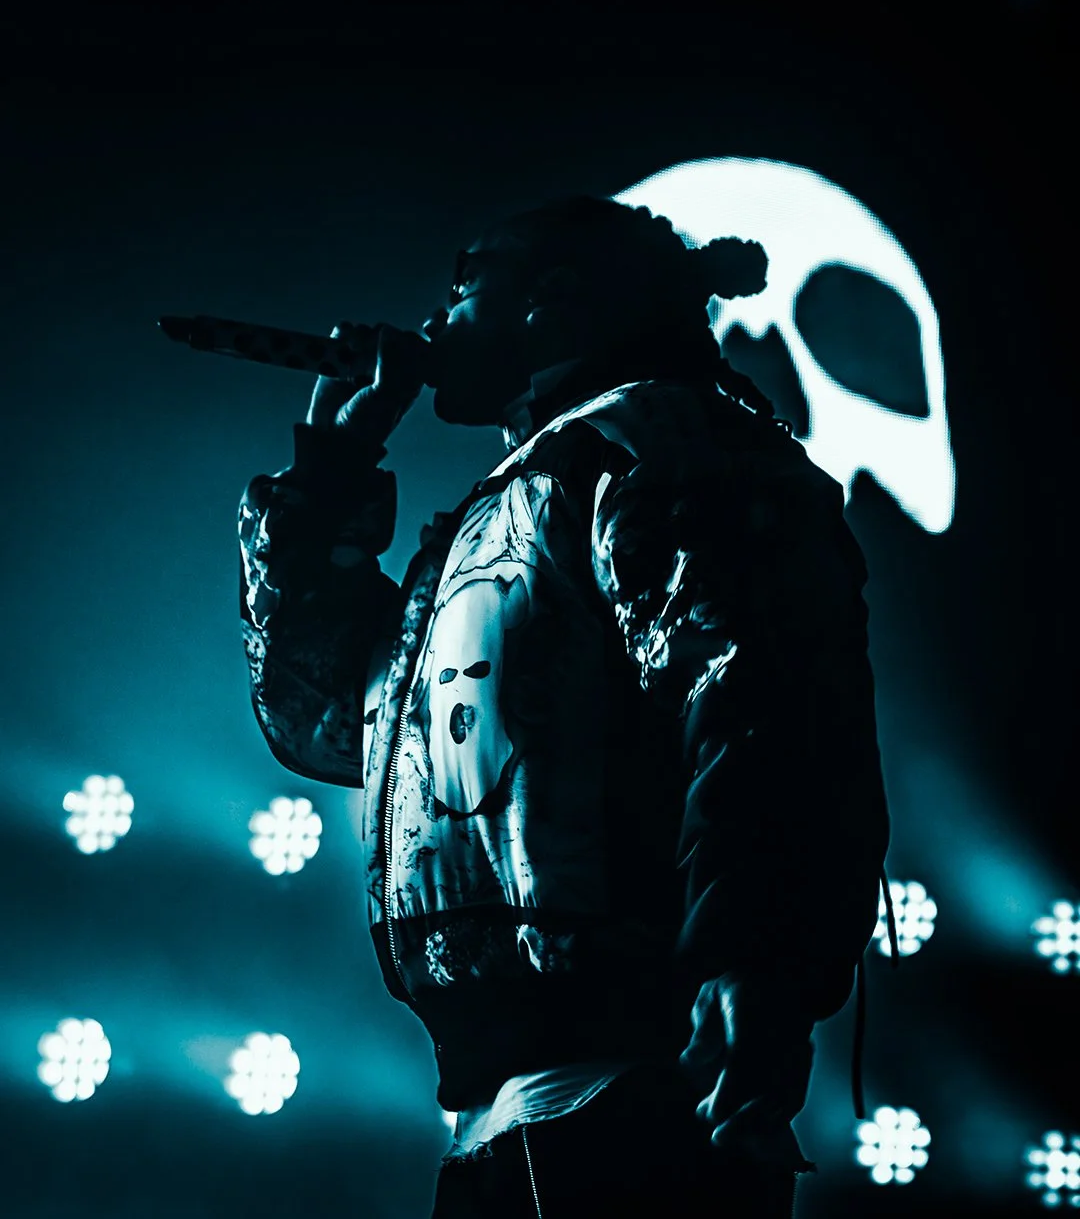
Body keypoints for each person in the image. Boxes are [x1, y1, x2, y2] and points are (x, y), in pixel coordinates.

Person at [237, 195, 893, 1217]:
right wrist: (328, 483)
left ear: (550, 301)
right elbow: (336, 732)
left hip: (640, 1097)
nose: (437, 317)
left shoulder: (666, 452)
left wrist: (752, 959)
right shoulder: (521, 498)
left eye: (464, 289)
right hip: (511, 1115)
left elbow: (766, 704)